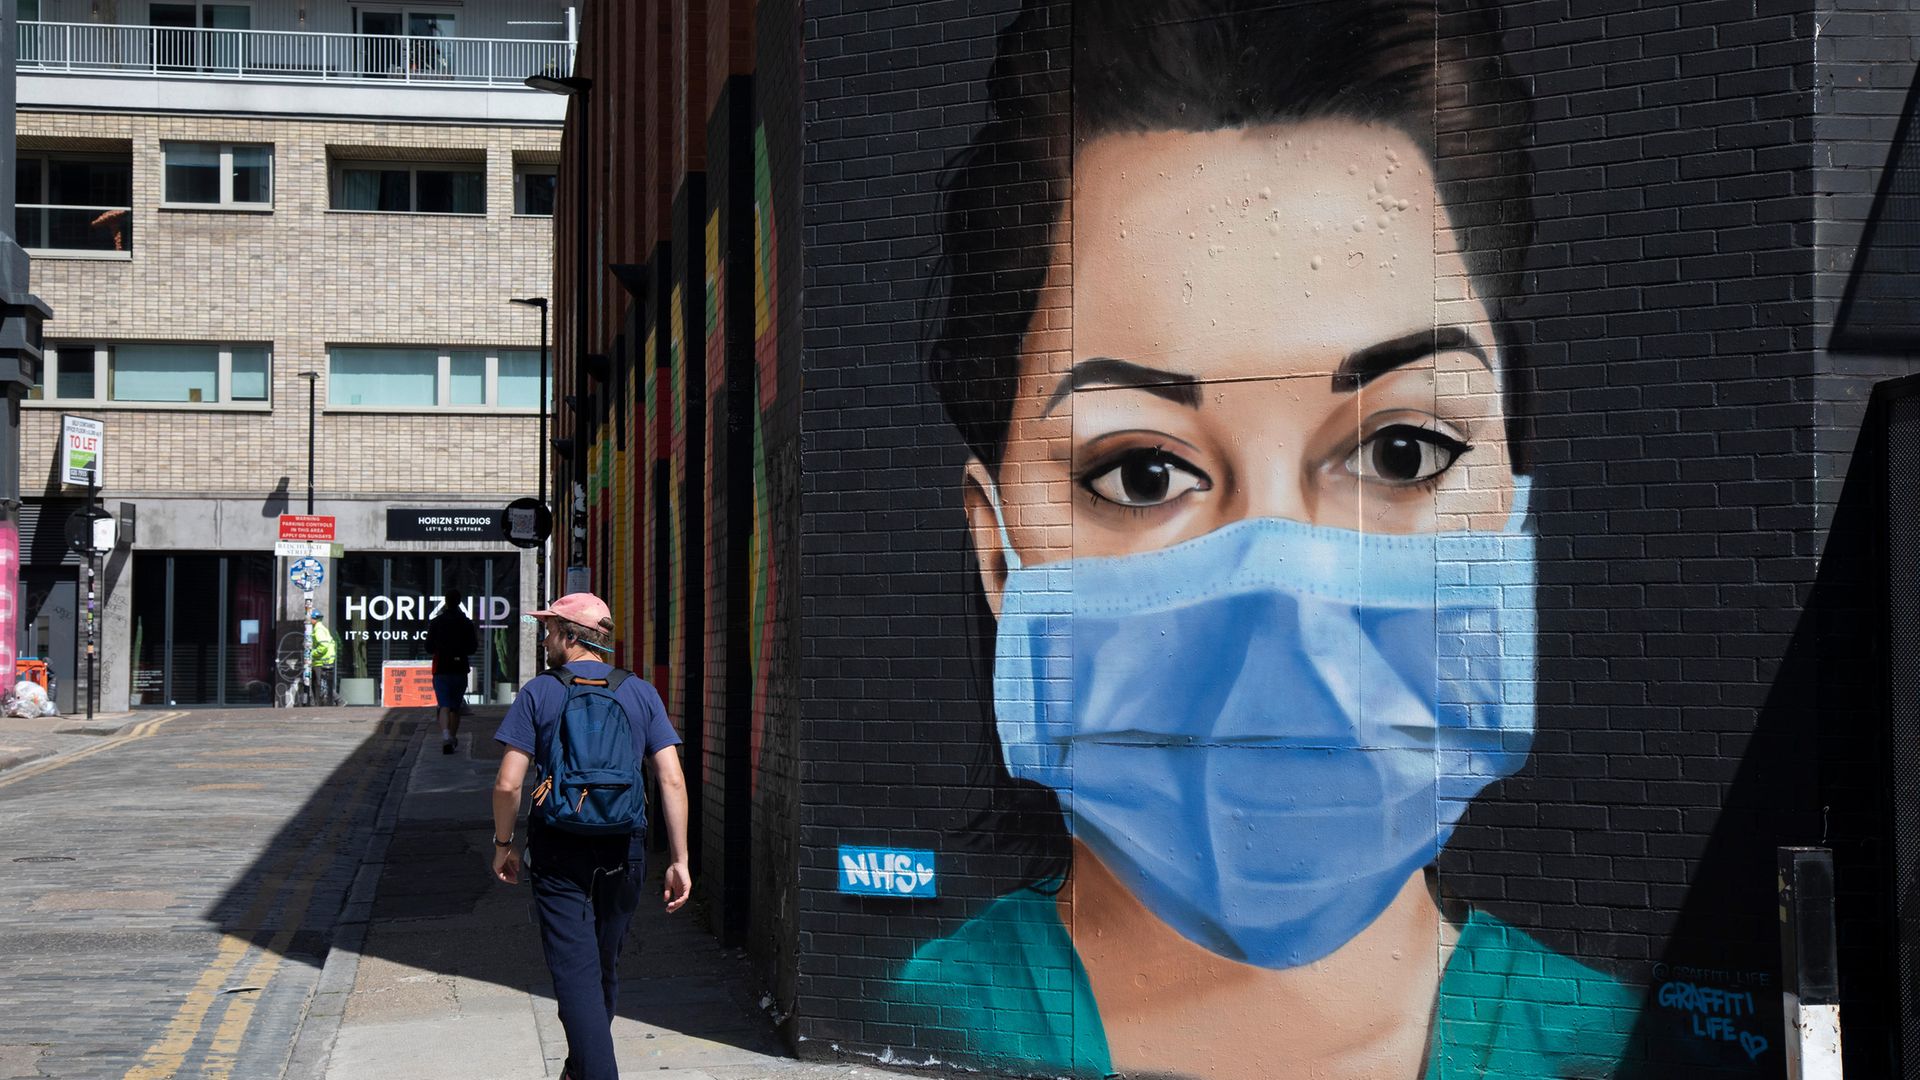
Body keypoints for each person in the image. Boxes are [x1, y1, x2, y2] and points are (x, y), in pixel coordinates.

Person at [886, 1, 1637, 1078]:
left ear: (1510, 498)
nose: (1284, 611)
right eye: (1143, 472)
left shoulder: (1603, 1047)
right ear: (999, 555)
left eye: (1403, 454)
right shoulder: (944, 1020)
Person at [490, 592, 692, 1080]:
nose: (544, 638)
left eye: (549, 629)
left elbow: (508, 783)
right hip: (625, 848)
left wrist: (504, 844)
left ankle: (594, 1071)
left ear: (569, 636)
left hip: (559, 848)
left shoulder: (540, 692)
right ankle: (581, 1068)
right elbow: (671, 779)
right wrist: (681, 859)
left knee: (575, 976)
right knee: (602, 968)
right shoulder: (639, 692)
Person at [426, 589, 478, 753]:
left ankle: (446, 735)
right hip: (460, 668)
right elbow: (473, 647)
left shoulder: (437, 622)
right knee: (455, 706)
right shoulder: (466, 623)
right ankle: (452, 738)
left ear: (446, 602)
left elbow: (428, 647)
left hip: (441, 668)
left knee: (443, 705)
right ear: (459, 601)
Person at [307, 610, 337, 706]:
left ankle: (337, 700)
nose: (309, 620)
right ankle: (319, 702)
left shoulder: (318, 630)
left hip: (321, 661)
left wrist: (312, 653)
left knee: (319, 683)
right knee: (320, 683)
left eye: (310, 618)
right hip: (324, 660)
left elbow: (323, 645)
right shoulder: (321, 628)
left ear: (314, 619)